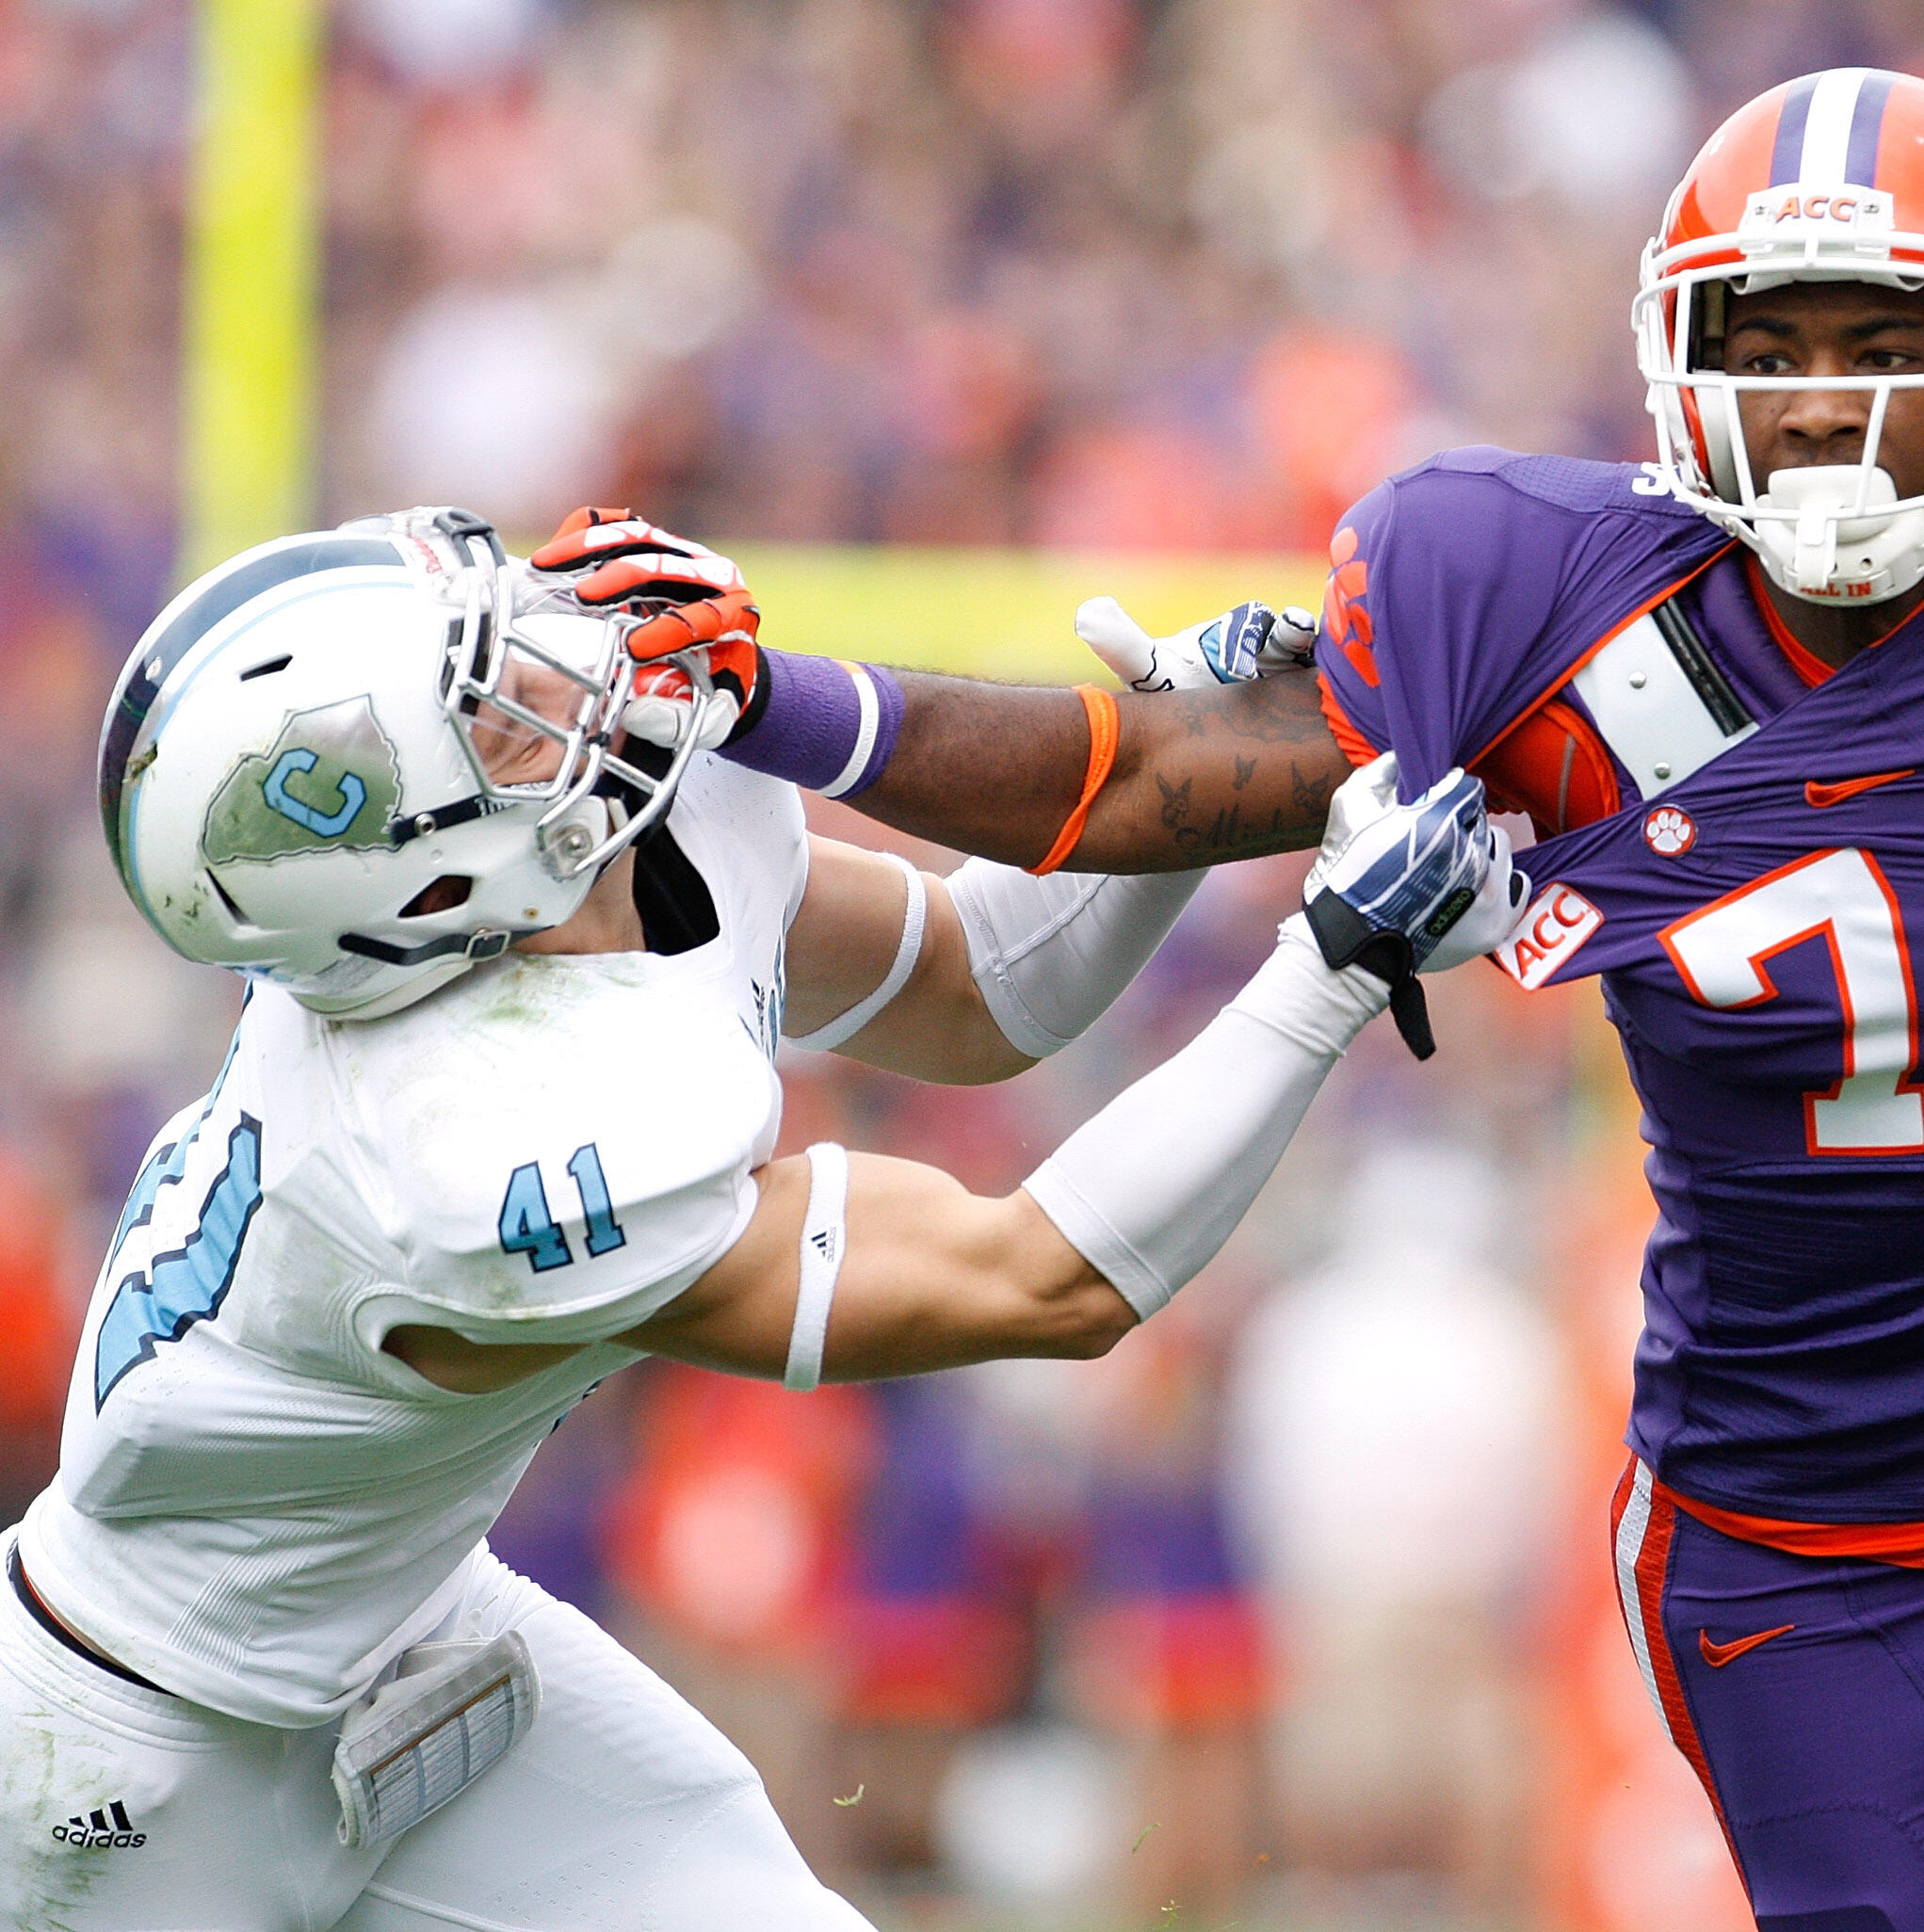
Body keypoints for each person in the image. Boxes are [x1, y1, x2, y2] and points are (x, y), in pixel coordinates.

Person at [544, 72, 1924, 1931]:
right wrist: (778, 696)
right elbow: (1142, 779)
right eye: (1768, 342)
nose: (1823, 399)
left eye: (1883, 335)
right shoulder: (1523, 592)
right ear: (1680, 355)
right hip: (1810, 1592)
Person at [4, 506, 1508, 1931]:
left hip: (399, 1630)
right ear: (415, 880)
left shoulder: (547, 884)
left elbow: (981, 988)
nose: (563, 676)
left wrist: (1184, 762)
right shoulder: (451, 1156)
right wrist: (1334, 965)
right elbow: (1040, 1279)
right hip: (132, 1772)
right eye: (494, 712)